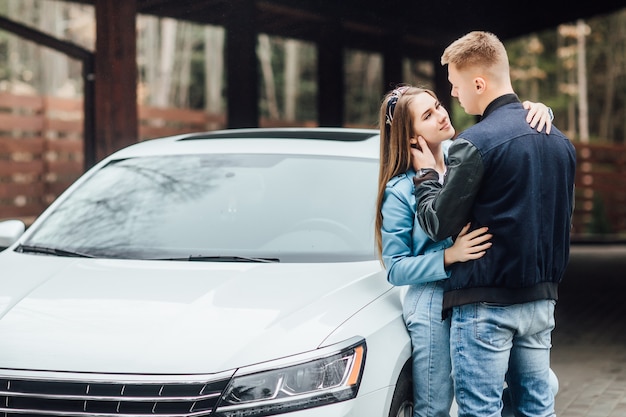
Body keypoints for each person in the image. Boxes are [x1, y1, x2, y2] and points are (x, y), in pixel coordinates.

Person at [410, 31, 576, 417]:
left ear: (478, 83)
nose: (453, 95)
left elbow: (438, 224)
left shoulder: (476, 143)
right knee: (537, 409)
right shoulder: (560, 141)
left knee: (480, 412)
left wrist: (427, 178)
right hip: (540, 302)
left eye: (454, 85)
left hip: (484, 306)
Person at [374, 84, 554, 417]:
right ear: (410, 136)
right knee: (436, 405)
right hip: (432, 302)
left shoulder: (466, 152)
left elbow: (510, 140)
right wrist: (449, 256)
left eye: (438, 105)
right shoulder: (399, 190)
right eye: (427, 116)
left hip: (478, 293)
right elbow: (395, 268)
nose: (442, 115)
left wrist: (540, 111)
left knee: (537, 387)